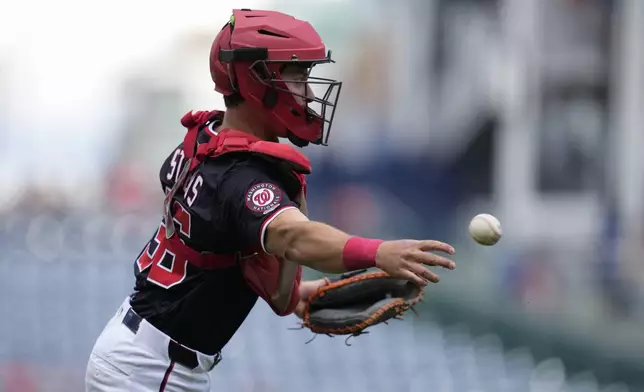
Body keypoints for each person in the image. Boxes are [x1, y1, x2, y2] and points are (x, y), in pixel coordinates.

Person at [85, 8, 456, 392]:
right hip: (152, 370)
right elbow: (294, 237)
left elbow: (225, 255)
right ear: (255, 80)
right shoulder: (239, 176)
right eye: (296, 77)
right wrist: (378, 252)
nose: (309, 93)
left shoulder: (207, 140)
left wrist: (296, 295)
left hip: (141, 355)